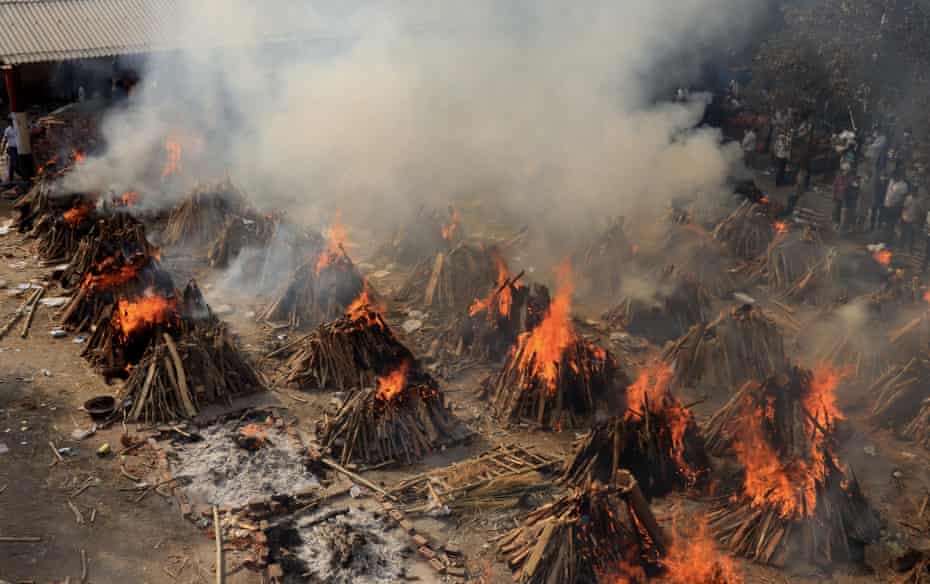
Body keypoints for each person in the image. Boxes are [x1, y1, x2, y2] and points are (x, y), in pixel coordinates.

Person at [883, 170, 910, 243]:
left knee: (893, 224)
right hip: (887, 205)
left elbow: (903, 198)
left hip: (895, 208)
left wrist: (897, 205)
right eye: (893, 177)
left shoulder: (903, 185)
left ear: (899, 176)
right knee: (887, 224)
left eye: (895, 176)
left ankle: (892, 240)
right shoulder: (891, 181)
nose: (893, 178)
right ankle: (886, 239)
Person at [833, 162, 855, 228]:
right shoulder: (839, 176)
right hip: (839, 196)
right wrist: (834, 195)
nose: (845, 171)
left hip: (846, 197)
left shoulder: (851, 177)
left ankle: (843, 225)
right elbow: (835, 186)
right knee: (837, 210)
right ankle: (836, 223)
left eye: (846, 170)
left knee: (844, 212)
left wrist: (844, 187)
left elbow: (851, 186)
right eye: (844, 170)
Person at [901, 189, 922, 253]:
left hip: (913, 220)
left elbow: (920, 210)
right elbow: (904, 206)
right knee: (904, 232)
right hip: (906, 218)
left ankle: (910, 249)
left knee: (912, 235)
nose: (914, 192)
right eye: (913, 191)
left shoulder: (919, 200)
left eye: (915, 191)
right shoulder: (909, 198)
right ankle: (902, 245)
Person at [3, 116, 18, 186]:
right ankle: (21, 175)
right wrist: (2, 149)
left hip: (18, 148)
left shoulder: (17, 128)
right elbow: (5, 140)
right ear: (8, 122)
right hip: (12, 148)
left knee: (12, 164)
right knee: (14, 164)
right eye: (10, 121)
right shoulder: (7, 130)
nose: (11, 122)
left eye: (12, 121)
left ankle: (11, 179)